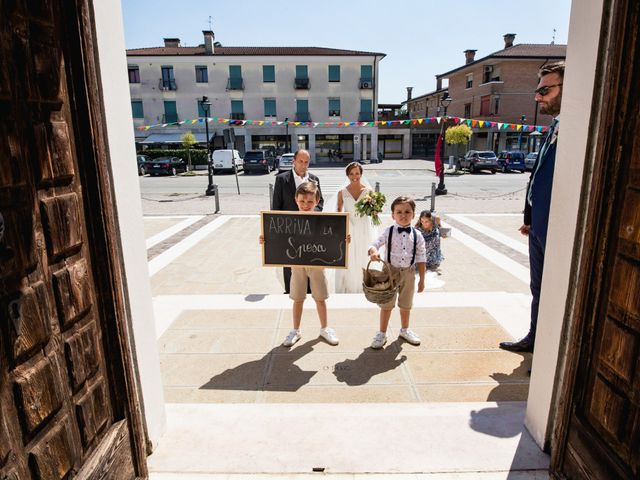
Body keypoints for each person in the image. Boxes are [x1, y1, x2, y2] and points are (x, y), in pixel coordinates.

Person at [500, 62, 564, 354]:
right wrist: (529, 217)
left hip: (557, 227)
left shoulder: (575, 129)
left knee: (554, 291)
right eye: (538, 91)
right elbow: (538, 174)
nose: (538, 98)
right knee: (538, 288)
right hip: (538, 225)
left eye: (545, 90)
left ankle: (549, 354)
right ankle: (535, 339)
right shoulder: (554, 127)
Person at [261, 181, 339, 347]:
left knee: (320, 298)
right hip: (296, 264)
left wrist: (343, 240)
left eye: (310, 202)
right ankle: (295, 330)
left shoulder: (322, 220)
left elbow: (332, 238)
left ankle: (325, 328)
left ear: (317, 202)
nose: (305, 204)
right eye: (302, 201)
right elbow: (277, 238)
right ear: (296, 199)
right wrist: (266, 240)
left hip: (318, 264)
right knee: (297, 298)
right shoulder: (288, 220)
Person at [367, 196, 426, 349]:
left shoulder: (417, 235)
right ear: (393, 215)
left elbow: (421, 257)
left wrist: (422, 280)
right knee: (386, 304)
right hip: (390, 272)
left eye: (407, 211)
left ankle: (405, 330)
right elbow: (375, 244)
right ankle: (382, 333)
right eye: (399, 212)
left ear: (413, 215)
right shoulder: (389, 232)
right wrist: (373, 251)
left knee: (406, 304)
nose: (403, 215)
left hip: (409, 273)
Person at [272, 149, 324, 294]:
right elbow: (276, 207)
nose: (303, 165)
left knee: (309, 261)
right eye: (300, 161)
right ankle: (291, 291)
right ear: (294, 161)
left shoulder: (314, 179)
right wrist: (278, 232)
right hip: (289, 230)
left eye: (306, 162)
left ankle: (309, 291)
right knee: (290, 263)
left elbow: (320, 202)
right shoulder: (281, 179)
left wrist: (313, 213)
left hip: (310, 230)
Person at [334, 162, 378, 293]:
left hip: (364, 228)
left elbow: (373, 213)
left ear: (361, 174)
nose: (355, 176)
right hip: (349, 229)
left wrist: (374, 209)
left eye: (357, 173)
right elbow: (338, 212)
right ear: (347, 175)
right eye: (352, 173)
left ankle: (364, 284)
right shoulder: (342, 193)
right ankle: (350, 286)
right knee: (350, 258)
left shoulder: (369, 192)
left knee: (363, 256)